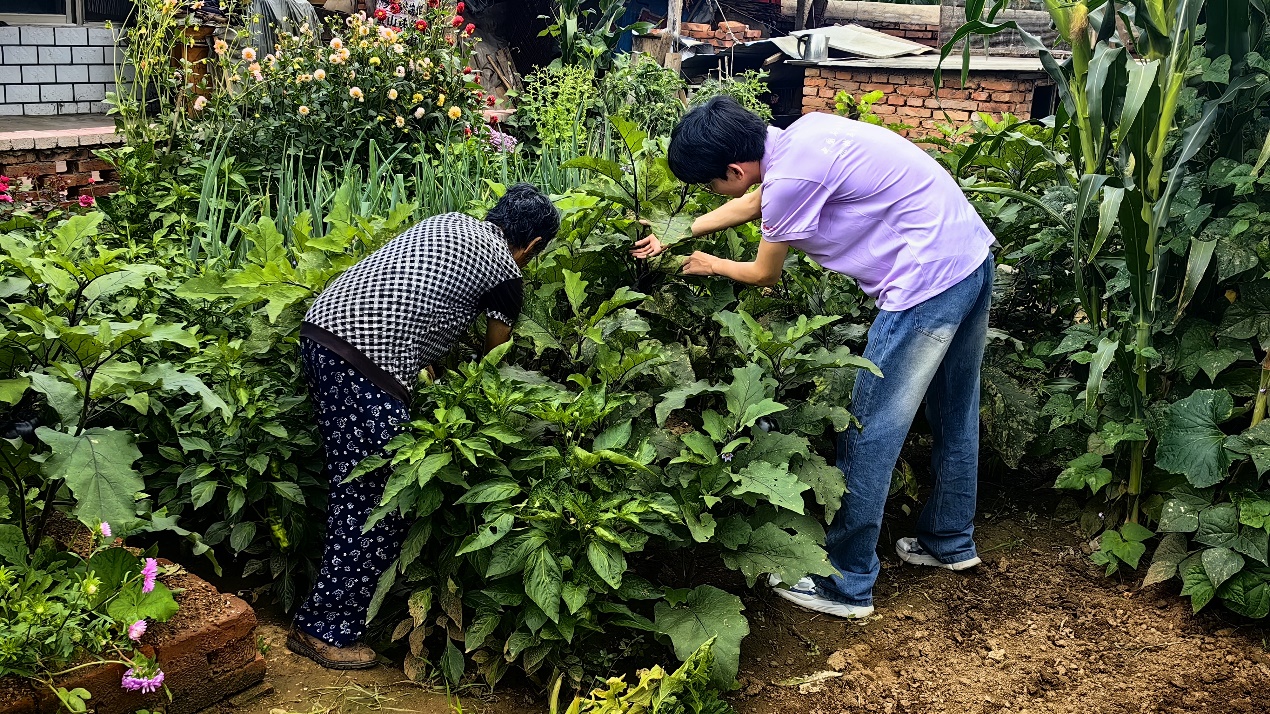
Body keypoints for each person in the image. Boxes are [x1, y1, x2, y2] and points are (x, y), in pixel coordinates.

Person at [636, 97, 995, 619]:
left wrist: (712, 264)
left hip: (925, 286)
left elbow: (765, 273)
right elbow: (754, 202)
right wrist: (674, 235)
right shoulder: (804, 136)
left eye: (711, 184)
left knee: (870, 428)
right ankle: (949, 540)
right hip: (969, 260)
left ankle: (845, 582)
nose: (714, 193)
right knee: (955, 409)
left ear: (735, 169)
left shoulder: (787, 182)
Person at [287, 184, 560, 668]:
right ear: (533, 245)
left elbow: (415, 298)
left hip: (322, 334)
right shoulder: (506, 269)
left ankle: (323, 617)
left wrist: (425, 362)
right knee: (379, 501)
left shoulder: (447, 222)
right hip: (367, 363)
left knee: (353, 489)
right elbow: (493, 356)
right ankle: (325, 629)